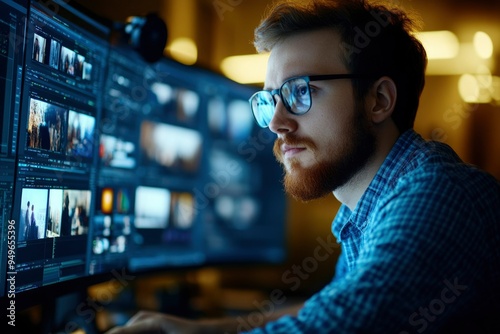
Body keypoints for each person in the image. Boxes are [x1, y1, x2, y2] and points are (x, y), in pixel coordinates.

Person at [106, 0, 500, 333]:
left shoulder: (437, 193)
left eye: (300, 92)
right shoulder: (364, 212)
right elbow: (325, 308)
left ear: (378, 100)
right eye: (269, 100)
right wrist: (199, 329)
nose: (277, 123)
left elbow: (340, 324)